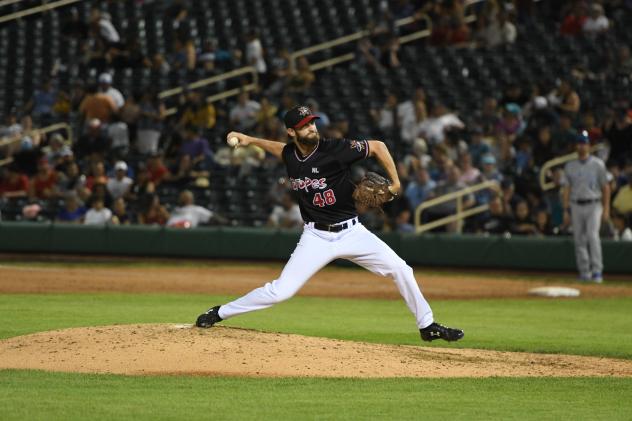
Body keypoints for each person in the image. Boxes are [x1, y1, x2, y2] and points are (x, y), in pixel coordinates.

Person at [195, 105, 464, 343]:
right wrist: (250, 139)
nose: (311, 128)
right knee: (280, 292)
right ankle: (219, 312)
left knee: (401, 269)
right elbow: (279, 149)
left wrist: (395, 183)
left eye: (312, 122)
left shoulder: (336, 149)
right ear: (292, 132)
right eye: (304, 126)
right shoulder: (291, 155)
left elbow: (378, 146)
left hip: (353, 232)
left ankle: (427, 325)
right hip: (316, 238)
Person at [562, 131, 610, 283]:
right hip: (576, 204)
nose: (581, 146)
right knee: (579, 239)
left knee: (592, 236)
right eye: (579, 143)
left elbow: (606, 187)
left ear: (589, 145)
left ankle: (597, 271)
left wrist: (606, 208)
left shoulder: (598, 164)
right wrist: (565, 210)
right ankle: (584, 272)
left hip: (594, 203)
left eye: (584, 143)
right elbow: (566, 189)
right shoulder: (570, 165)